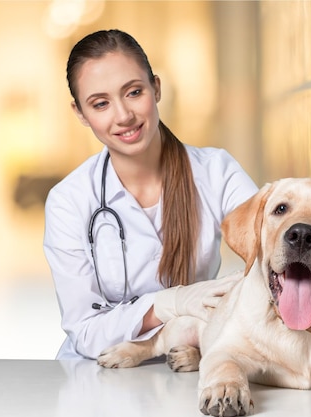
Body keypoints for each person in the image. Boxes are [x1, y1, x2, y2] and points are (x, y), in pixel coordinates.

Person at [43, 29, 258, 360]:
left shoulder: (216, 172)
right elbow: (85, 331)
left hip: (190, 361)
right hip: (98, 375)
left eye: (133, 92)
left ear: (156, 88)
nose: (123, 116)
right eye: (100, 103)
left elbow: (270, 250)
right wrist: (168, 304)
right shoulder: (69, 201)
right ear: (81, 114)